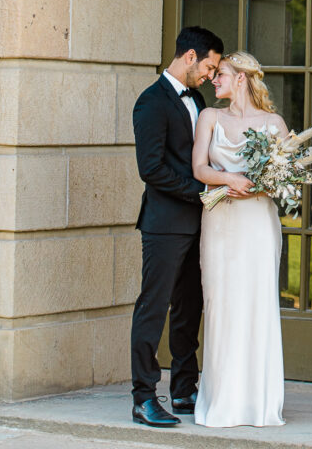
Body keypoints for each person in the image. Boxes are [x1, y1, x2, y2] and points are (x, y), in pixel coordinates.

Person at [130, 26, 246, 428]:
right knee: (153, 307)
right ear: (191, 56)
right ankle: (143, 397)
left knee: (189, 309)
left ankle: (183, 388)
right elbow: (152, 170)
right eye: (210, 67)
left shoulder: (197, 99)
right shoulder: (150, 102)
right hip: (164, 225)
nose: (212, 78)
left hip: (203, 224)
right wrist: (202, 190)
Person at [192, 51, 290, 427]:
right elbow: (199, 167)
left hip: (257, 225)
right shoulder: (209, 118)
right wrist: (230, 179)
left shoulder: (273, 123)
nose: (214, 80)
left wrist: (260, 186)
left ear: (242, 80)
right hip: (220, 222)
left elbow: (286, 175)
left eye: (221, 75)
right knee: (221, 304)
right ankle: (223, 402)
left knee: (257, 304)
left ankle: (258, 403)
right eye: (214, 75)